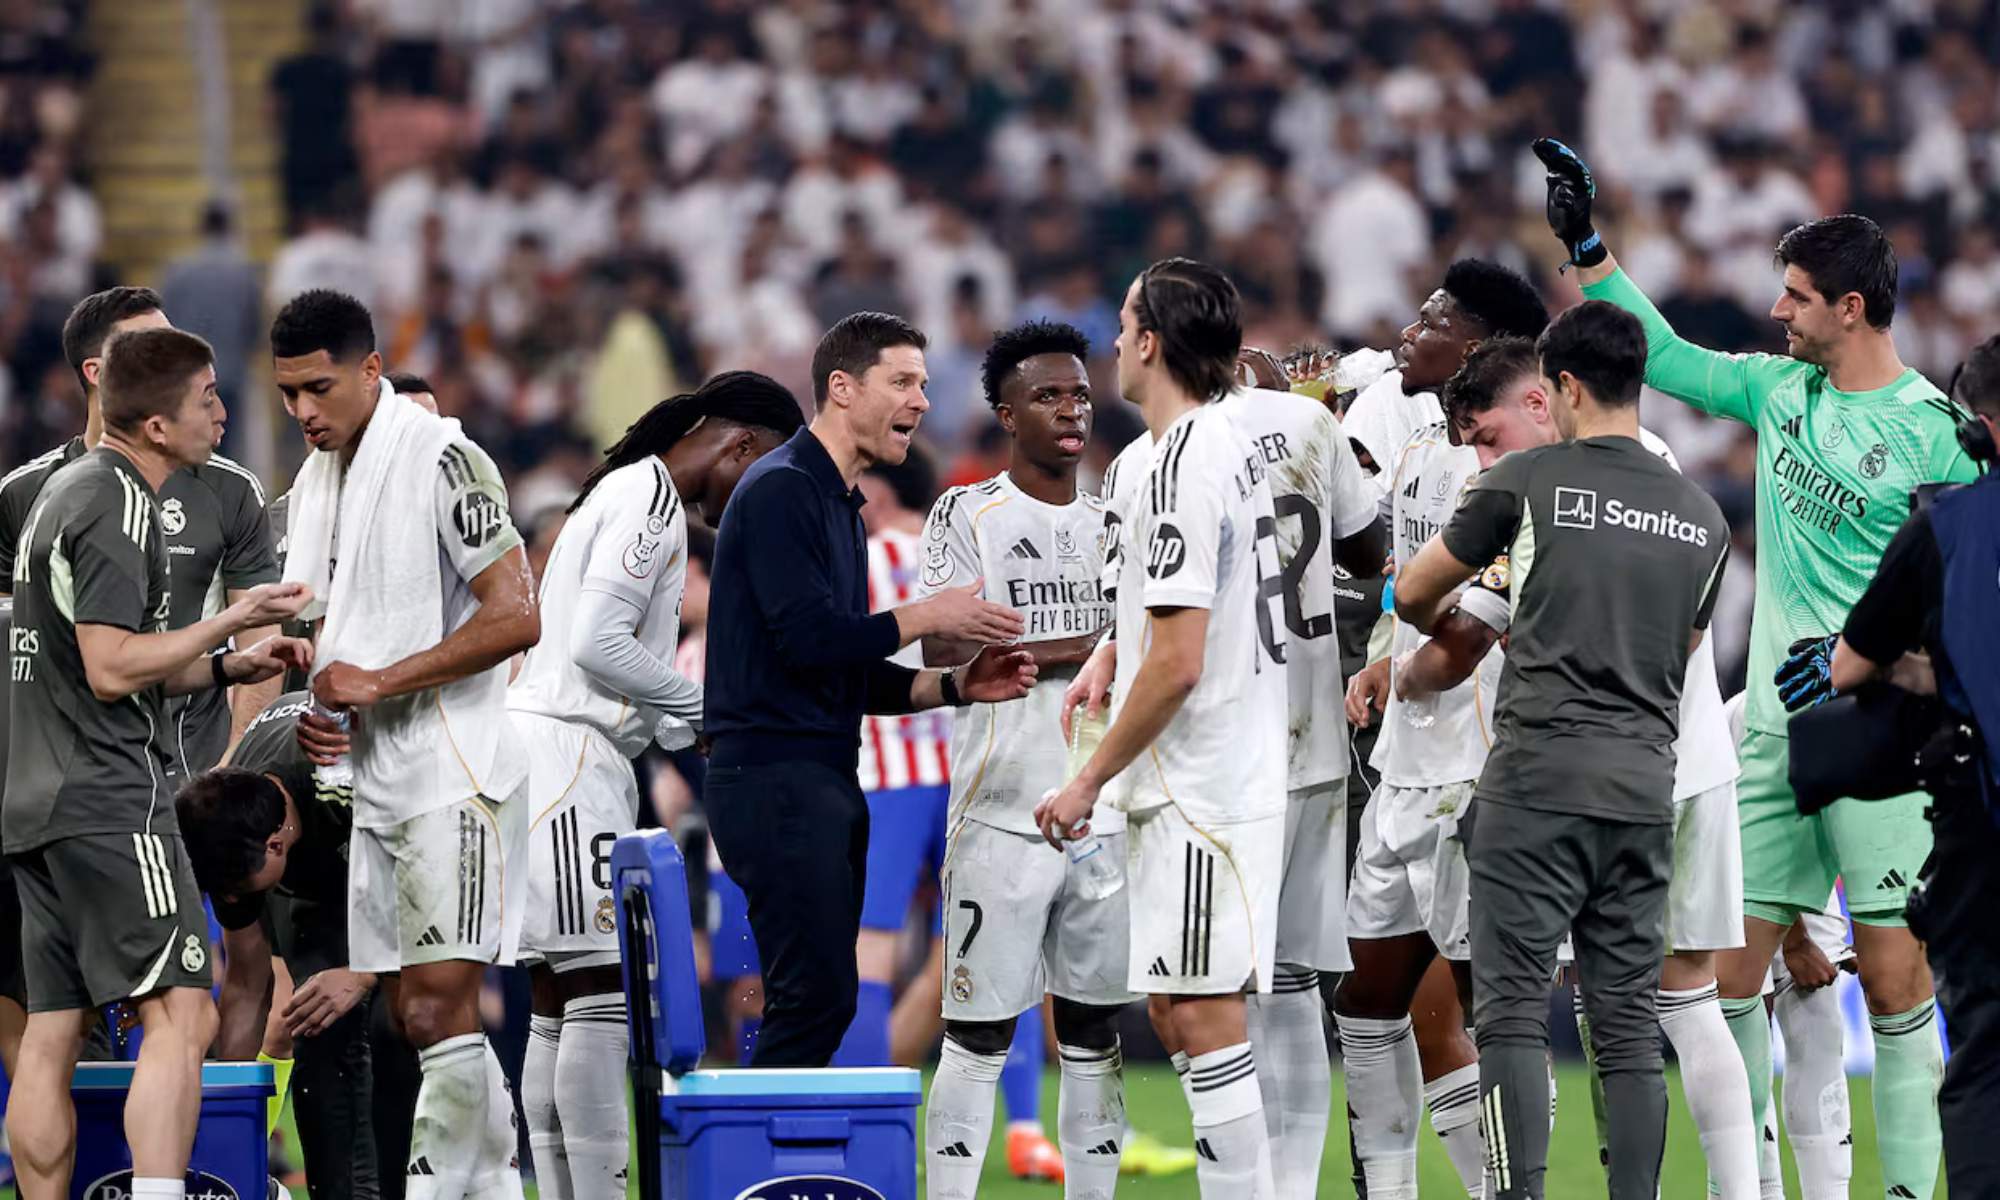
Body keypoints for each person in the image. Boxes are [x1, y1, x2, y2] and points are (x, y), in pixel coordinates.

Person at [1536, 136, 1971, 1198]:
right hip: (1773, 738)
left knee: (1893, 982)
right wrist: (1587, 248)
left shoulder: (1933, 435)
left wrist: (1901, 667)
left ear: (1851, 309)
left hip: (1881, 746)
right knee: (1726, 980)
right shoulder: (1778, 394)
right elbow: (1664, 354)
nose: (1777, 313)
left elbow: (1971, 582)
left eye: (1795, 298)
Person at [1394, 301, 1731, 1199]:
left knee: (1508, 1018)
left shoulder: (1528, 479)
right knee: (1624, 1026)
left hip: (1536, 784)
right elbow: (1686, 650)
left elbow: (1413, 594)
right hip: (1640, 794)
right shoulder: (1704, 516)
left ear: (1565, 386)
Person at [4, 327, 312, 1200]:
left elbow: (97, 656)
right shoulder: (118, 504)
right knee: (183, 1012)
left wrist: (222, 668)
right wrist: (231, 617)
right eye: (205, 396)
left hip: (38, 803)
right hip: (108, 798)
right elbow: (109, 667)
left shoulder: (63, 491)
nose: (220, 409)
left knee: (53, 1028)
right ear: (154, 424)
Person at [702, 311, 1037, 1069]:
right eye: (903, 382)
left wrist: (955, 683)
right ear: (842, 388)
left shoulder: (839, 504)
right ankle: (761, 1176)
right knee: (812, 995)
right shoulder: (783, 490)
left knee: (826, 996)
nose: (922, 401)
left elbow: (840, 670)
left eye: (923, 383)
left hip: (817, 772)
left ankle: (778, 1172)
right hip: (774, 776)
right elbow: (810, 640)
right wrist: (927, 614)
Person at [507, 371, 803, 1200]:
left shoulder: (625, 490)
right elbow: (602, 645)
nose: (756, 498)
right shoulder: (651, 502)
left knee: (556, 995)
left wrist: (686, 725)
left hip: (554, 749)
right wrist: (703, 704)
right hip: (570, 758)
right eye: (762, 473)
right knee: (600, 985)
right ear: (740, 445)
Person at [273, 289, 541, 1194]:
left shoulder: (445, 459)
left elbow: (518, 616)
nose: (304, 411)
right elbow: (340, 634)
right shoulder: (323, 480)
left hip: (454, 770)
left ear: (372, 370)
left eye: (318, 387)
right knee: (409, 1010)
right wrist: (333, 705)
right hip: (384, 774)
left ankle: (433, 1187)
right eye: (287, 395)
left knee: (432, 1009)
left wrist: (377, 682)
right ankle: (497, 1186)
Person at [1037, 258, 1287, 1199]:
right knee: (1176, 1009)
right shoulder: (1174, 454)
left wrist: (1088, 777)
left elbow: (1182, 660)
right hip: (1199, 772)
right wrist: (1112, 644)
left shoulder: (1184, 458)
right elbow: (1170, 610)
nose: (1112, 339)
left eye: (1123, 321)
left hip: (1205, 775)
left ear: (1149, 341)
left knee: (1203, 1010)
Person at [1332, 260, 1549, 1200]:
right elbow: (1401, 592)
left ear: (1483, 346)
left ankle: (1513, 1192)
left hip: (1482, 766)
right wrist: (1384, 654)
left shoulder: (1527, 472)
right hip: (1403, 767)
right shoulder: (1423, 454)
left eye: (1435, 318)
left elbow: (1470, 633)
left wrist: (1414, 662)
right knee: (1367, 1004)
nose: (1410, 330)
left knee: (1488, 1011)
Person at [915, 320, 1129, 1197]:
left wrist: (1035, 649)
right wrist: (1099, 643)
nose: (1071, 409)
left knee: (1094, 1033)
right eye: (1047, 396)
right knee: (976, 1033)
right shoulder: (967, 514)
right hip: (1000, 810)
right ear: (1007, 414)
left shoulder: (1120, 515)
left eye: (1078, 392)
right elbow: (940, 653)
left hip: (1106, 807)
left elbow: (1150, 648)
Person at [1827, 333, 2000, 1193]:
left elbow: (1850, 665)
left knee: (1979, 1057)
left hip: (1982, 828)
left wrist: (1919, 666)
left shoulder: (1948, 526)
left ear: (1984, 430)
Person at [1211, 374, 1385, 1197]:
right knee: (1290, 990)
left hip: (1220, 755)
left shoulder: (1167, 452)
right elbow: (1366, 550)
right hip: (1311, 741)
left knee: (1214, 999)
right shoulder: (1312, 429)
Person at [0, 285, 283, 778]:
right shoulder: (24, 494)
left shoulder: (230, 490)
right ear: (96, 372)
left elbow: (257, 647)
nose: (177, 361)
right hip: (66, 781)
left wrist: (232, 770)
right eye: (152, 348)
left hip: (193, 773)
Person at [177, 693, 378, 1200]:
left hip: (394, 849)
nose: (234, 900)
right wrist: (227, 1135)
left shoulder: (347, 781)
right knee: (316, 1018)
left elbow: (439, 893)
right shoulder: (224, 822)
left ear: (275, 845)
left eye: (242, 890)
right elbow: (246, 982)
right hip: (316, 858)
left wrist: (363, 973)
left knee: (398, 1020)